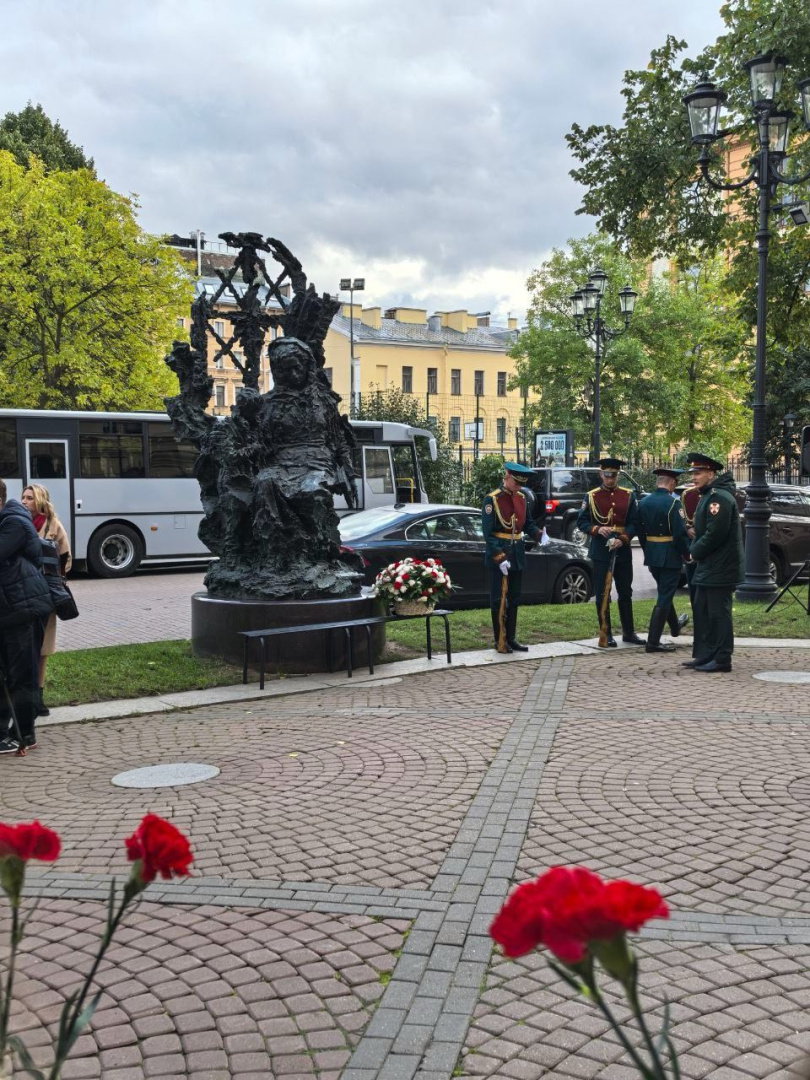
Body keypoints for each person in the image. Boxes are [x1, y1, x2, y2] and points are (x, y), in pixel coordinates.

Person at [0, 480, 53, 754]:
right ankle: (4, 734)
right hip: (9, 610)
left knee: (22, 674)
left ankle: (25, 734)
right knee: (7, 674)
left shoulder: (14, 523)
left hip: (23, 610)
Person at [682, 452, 745, 673]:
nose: (694, 477)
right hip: (710, 566)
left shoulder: (719, 498)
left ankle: (722, 658)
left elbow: (714, 534)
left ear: (711, 474)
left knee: (718, 613)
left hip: (720, 566)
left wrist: (694, 551)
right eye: (693, 473)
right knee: (703, 609)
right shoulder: (709, 495)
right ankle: (707, 653)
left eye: (698, 473)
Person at [576, 457, 644, 647]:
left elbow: (634, 523)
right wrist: (597, 529)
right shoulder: (591, 496)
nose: (610, 479)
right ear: (601, 475)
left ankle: (629, 632)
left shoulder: (628, 495)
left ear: (617, 476)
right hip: (601, 550)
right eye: (607, 475)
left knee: (625, 591)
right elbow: (582, 522)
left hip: (622, 550)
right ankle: (606, 633)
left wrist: (624, 538)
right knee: (602, 592)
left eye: (613, 475)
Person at [482, 462, 544, 653]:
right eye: (516, 483)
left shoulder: (522, 498)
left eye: (521, 484)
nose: (518, 487)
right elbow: (488, 534)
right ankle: (500, 640)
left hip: (516, 553)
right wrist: (499, 557)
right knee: (499, 599)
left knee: (514, 597)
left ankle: (511, 638)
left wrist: (540, 535)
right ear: (507, 476)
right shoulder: (492, 499)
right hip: (499, 554)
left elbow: (528, 524)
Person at [21, 484, 72, 716]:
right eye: (23, 497)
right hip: (22, 595)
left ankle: (37, 698)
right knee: (23, 649)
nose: (24, 501)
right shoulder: (16, 524)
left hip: (46, 595)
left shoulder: (53, 525)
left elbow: (65, 558)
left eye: (30, 498)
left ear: (40, 501)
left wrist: (54, 578)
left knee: (42, 650)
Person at [636, 468, 691, 653]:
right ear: (672, 483)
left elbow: (640, 533)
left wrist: (648, 550)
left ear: (657, 482)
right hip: (670, 556)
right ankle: (653, 642)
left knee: (664, 592)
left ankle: (675, 626)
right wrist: (687, 555)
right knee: (665, 595)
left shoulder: (643, 502)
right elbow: (680, 534)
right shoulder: (674, 503)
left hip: (652, 555)